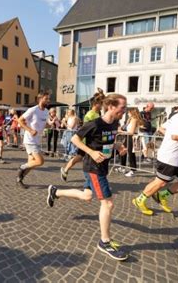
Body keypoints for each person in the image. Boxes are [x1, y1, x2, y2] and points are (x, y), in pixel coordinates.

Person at [46, 94, 129, 261]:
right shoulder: (94, 123)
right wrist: (90, 152)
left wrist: (118, 145)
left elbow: (107, 142)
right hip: (93, 168)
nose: (124, 110)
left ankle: (56, 192)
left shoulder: (114, 123)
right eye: (122, 107)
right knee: (108, 203)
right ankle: (104, 242)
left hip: (102, 166)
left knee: (87, 195)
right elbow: (75, 139)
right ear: (111, 106)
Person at [132, 95, 178, 216]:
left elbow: (162, 128)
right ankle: (139, 200)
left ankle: (161, 195)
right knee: (160, 183)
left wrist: (171, 137)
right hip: (170, 158)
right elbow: (176, 137)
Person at [60, 89, 104, 181]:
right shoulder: (90, 115)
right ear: (96, 104)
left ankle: (68, 170)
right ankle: (66, 170)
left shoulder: (97, 114)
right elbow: (85, 130)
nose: (102, 105)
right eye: (101, 103)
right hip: (86, 142)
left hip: (92, 142)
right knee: (79, 157)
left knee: (81, 158)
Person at [16, 92, 50, 189]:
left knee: (31, 164)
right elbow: (20, 120)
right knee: (40, 161)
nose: (48, 100)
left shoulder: (46, 111)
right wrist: (30, 130)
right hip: (30, 140)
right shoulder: (33, 110)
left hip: (37, 140)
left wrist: (49, 125)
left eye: (48, 99)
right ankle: (21, 167)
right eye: (46, 99)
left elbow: (43, 124)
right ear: (40, 99)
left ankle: (19, 179)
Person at [119, 108, 145, 177]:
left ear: (132, 112)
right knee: (123, 151)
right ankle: (123, 167)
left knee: (131, 154)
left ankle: (133, 170)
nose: (127, 113)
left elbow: (131, 132)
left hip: (131, 137)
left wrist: (121, 132)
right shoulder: (130, 119)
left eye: (129, 112)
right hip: (127, 137)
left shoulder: (134, 119)